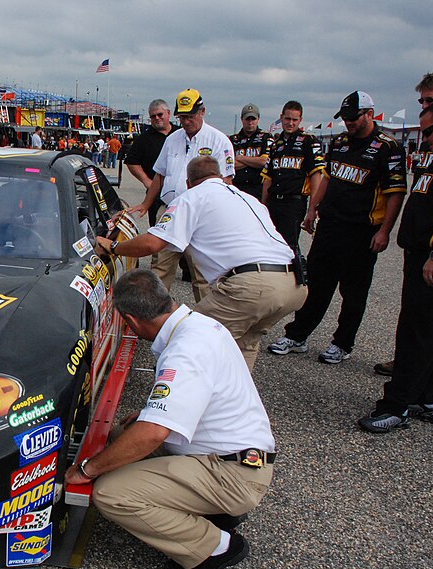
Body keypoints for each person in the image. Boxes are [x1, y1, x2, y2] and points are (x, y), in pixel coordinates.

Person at [65, 268, 276, 569]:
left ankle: (214, 547)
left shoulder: (185, 352)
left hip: (233, 473)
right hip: (235, 453)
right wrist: (155, 413)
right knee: (122, 438)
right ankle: (215, 511)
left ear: (132, 320)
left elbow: (152, 435)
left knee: (112, 492)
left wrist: (85, 470)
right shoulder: (198, 324)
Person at [97, 156, 306, 370]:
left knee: (188, 341)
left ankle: (177, 399)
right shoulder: (247, 198)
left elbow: (152, 243)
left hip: (252, 286)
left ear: (188, 182)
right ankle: (233, 399)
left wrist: (114, 247)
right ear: (220, 176)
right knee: (243, 344)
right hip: (293, 284)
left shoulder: (192, 197)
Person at [358, 100, 433, 432]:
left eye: (428, 131)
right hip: (422, 255)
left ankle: (396, 405)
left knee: (417, 333)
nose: (425, 139)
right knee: (429, 330)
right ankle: (427, 397)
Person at [268, 91, 407, 364]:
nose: (349, 123)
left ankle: (342, 343)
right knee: (317, 284)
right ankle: (297, 335)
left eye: (353, 118)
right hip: (331, 225)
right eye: (345, 118)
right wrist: (312, 210)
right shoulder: (341, 142)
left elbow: (396, 193)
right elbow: (327, 179)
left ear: (370, 114)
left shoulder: (387, 147)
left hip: (362, 231)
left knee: (353, 292)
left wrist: (384, 231)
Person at [127, 88, 236, 302]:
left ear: (202, 111)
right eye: (182, 117)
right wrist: (146, 204)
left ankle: (207, 323)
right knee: (160, 268)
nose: (186, 122)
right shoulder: (173, 139)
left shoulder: (219, 140)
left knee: (203, 274)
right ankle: (153, 318)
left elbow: (227, 182)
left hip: (202, 217)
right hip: (171, 210)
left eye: (190, 116)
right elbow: (159, 175)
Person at [260, 101, 325, 259]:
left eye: (294, 120)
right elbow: (268, 178)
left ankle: (293, 279)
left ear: (300, 120)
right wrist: (262, 206)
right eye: (287, 118)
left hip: (294, 203)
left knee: (289, 246)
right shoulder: (275, 145)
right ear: (281, 118)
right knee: (270, 243)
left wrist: (312, 208)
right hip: (274, 201)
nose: (290, 123)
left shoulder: (309, 142)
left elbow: (316, 176)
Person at [124, 99, 179, 226]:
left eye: (160, 115)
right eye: (153, 116)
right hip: (156, 194)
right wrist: (146, 180)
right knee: (158, 229)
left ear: (168, 113)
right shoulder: (144, 139)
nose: (157, 118)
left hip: (179, 192)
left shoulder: (180, 134)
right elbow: (131, 162)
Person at [230, 103, 273, 201]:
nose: (250, 122)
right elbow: (229, 164)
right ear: (242, 119)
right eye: (247, 119)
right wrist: (254, 161)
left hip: (257, 189)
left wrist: (241, 158)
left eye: (253, 119)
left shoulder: (266, 137)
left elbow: (264, 162)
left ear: (258, 119)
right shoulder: (233, 139)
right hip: (237, 189)